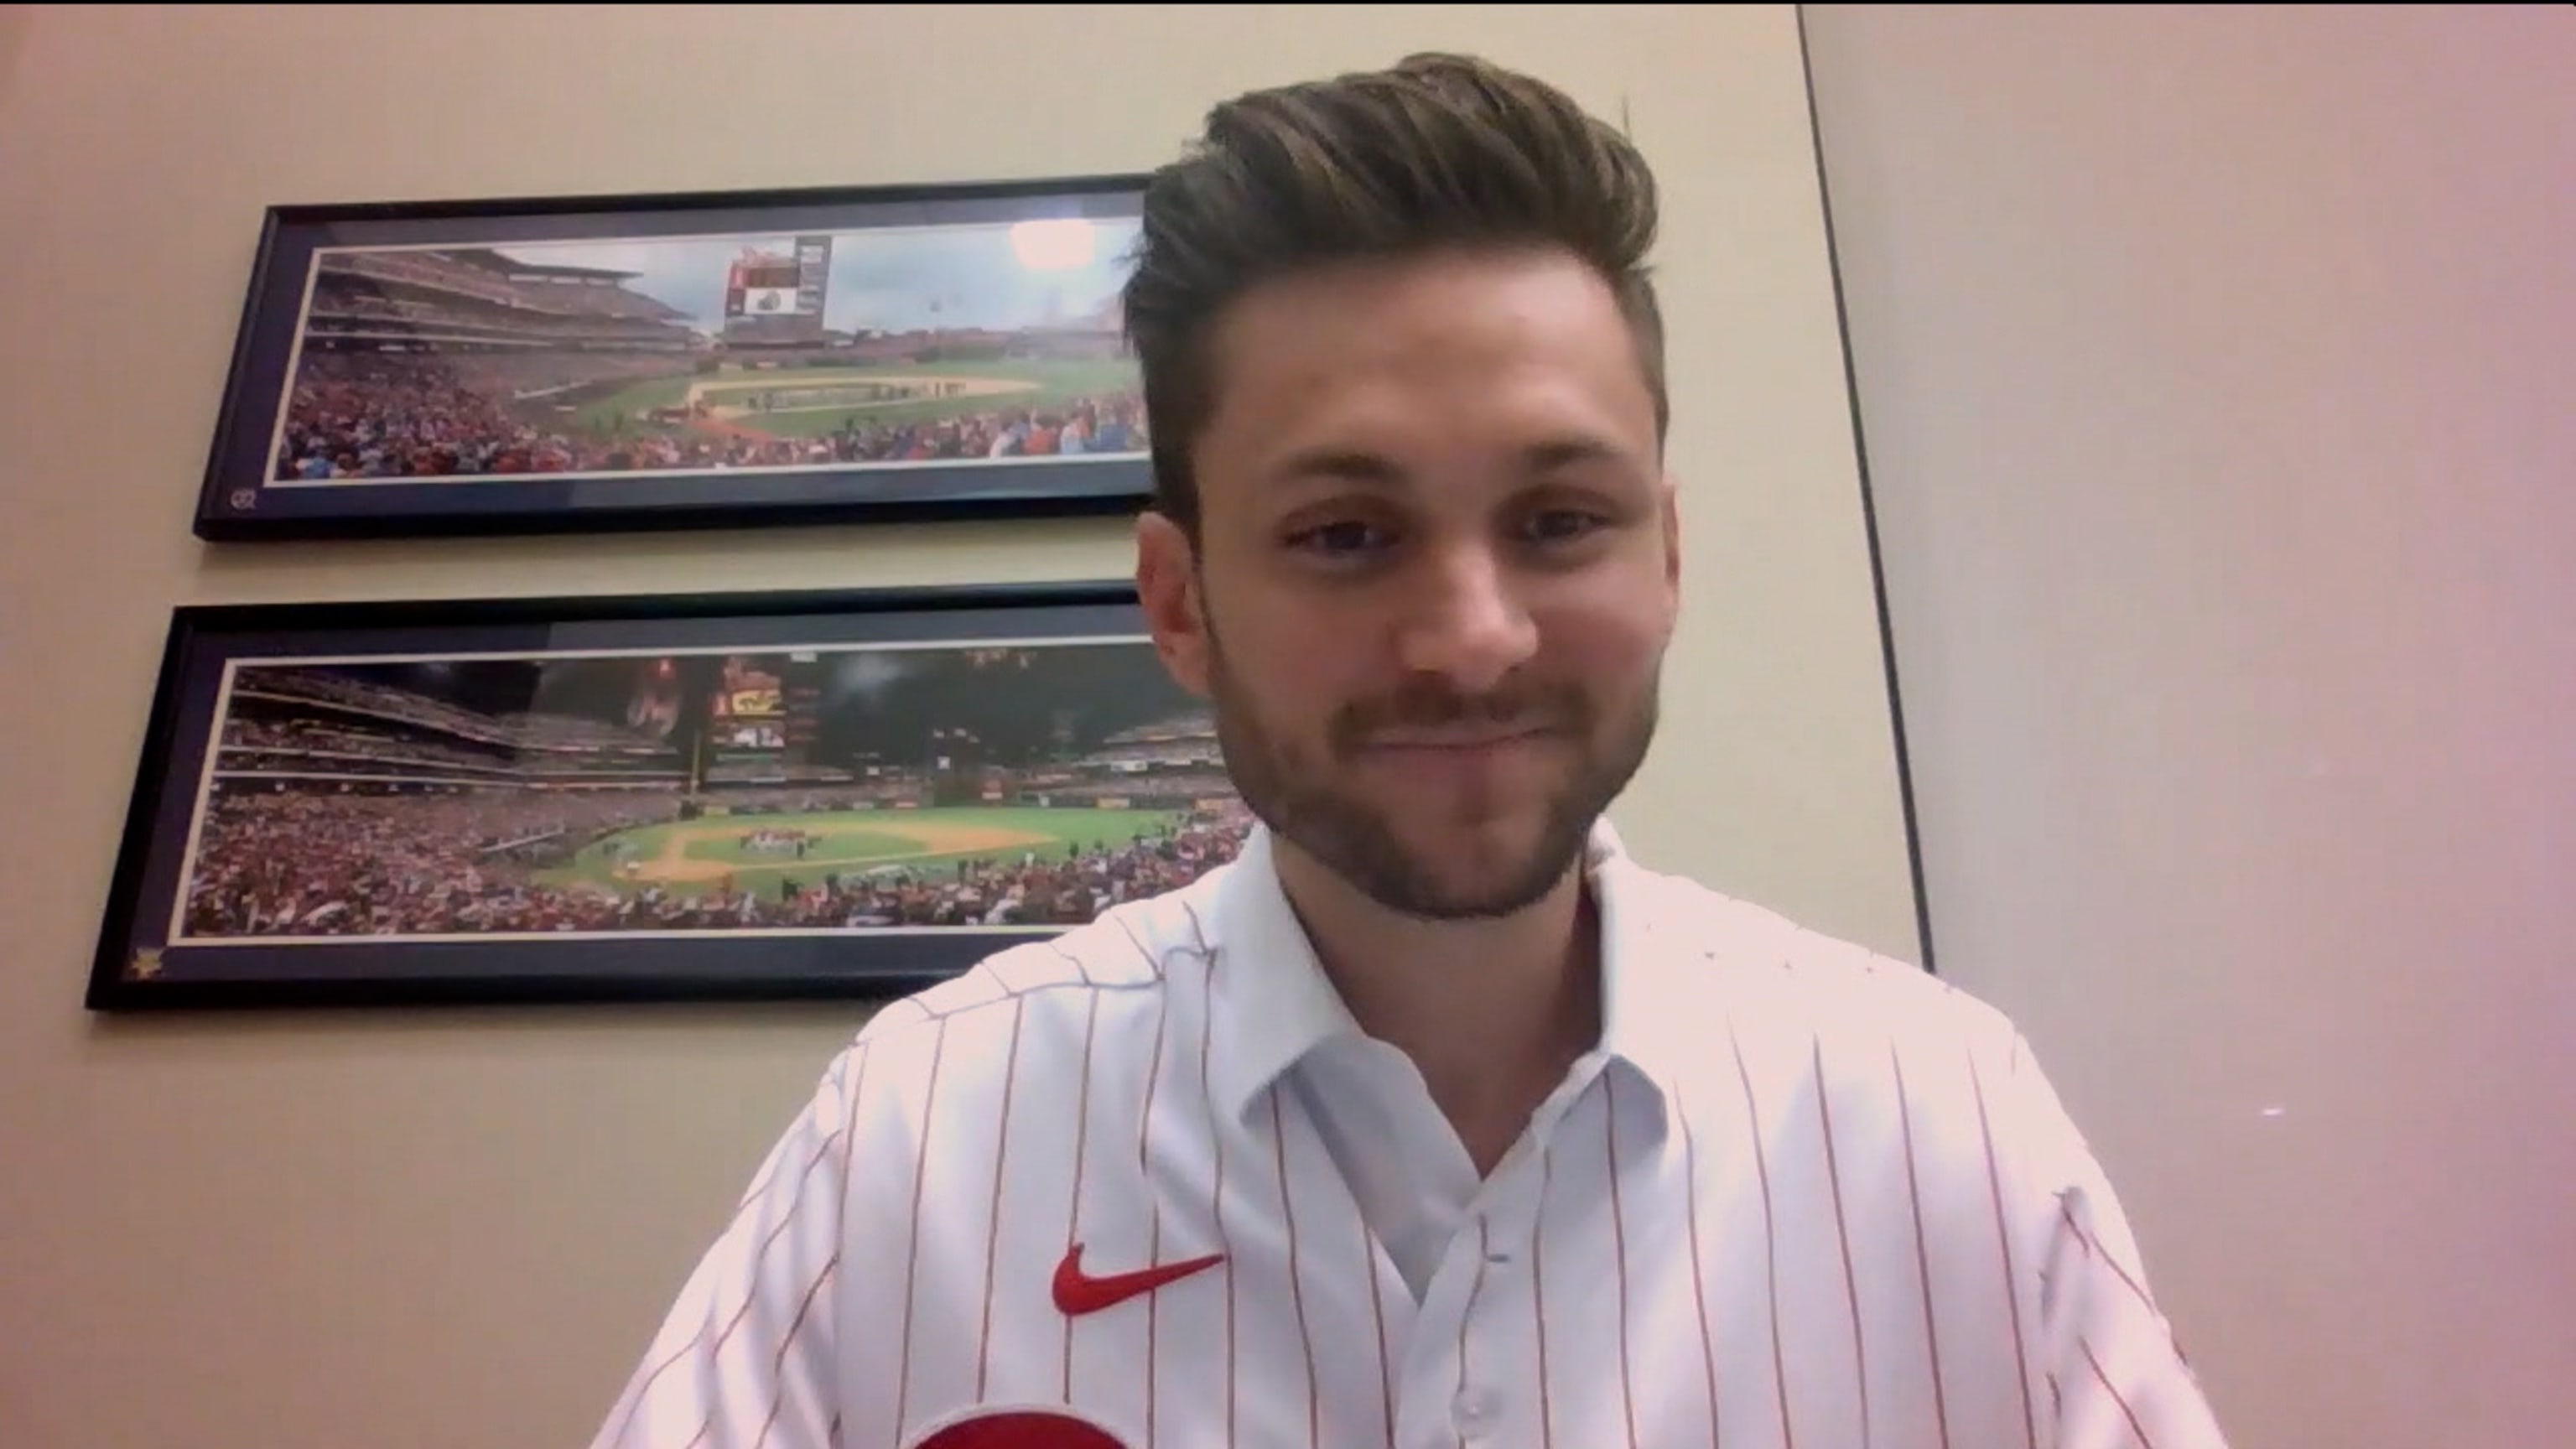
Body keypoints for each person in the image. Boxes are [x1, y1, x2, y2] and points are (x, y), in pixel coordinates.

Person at [587, 54, 2230, 1449]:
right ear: (1179, 599)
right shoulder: (923, 1137)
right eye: (1349, 532)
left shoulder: (1940, 1117)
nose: (1473, 635)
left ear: (1668, 556)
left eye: (1560, 520)